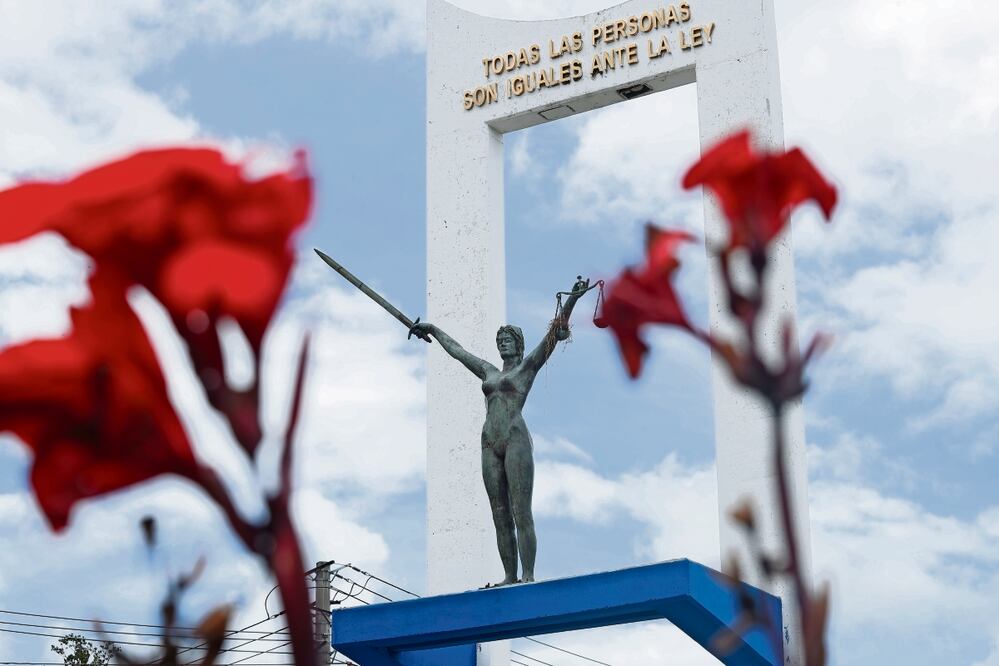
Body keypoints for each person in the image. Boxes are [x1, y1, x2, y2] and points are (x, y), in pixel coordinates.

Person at [410, 277, 589, 586]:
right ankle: (509, 575)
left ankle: (528, 576)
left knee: (521, 510)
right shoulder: (489, 372)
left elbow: (552, 336)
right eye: (500, 341)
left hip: (515, 437)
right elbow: (459, 351)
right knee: (499, 513)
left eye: (508, 340)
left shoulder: (527, 367)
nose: (503, 344)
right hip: (489, 441)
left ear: (518, 345)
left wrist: (572, 299)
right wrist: (434, 330)